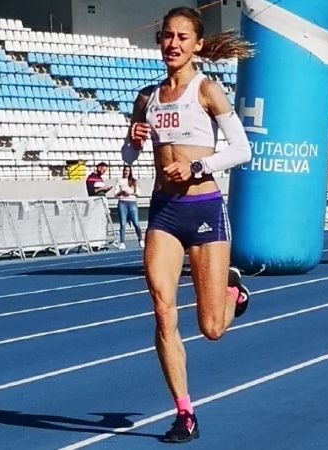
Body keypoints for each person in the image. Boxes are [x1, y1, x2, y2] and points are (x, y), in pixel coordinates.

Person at [121, 6, 253, 444]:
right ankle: (184, 412)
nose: (172, 44)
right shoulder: (147, 98)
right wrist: (132, 143)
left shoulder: (207, 91)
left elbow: (241, 151)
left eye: (182, 37)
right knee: (162, 309)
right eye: (166, 36)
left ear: (197, 45)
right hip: (163, 212)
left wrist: (197, 167)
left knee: (211, 328)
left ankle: (233, 292)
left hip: (204, 210)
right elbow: (128, 157)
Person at [114, 165, 144, 250]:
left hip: (132, 203)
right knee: (122, 224)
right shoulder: (119, 181)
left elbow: (138, 193)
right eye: (125, 170)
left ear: (130, 172)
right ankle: (122, 242)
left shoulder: (134, 181)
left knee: (136, 223)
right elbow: (115, 194)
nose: (126, 172)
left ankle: (140, 240)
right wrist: (122, 192)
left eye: (128, 170)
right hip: (122, 203)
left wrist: (130, 193)